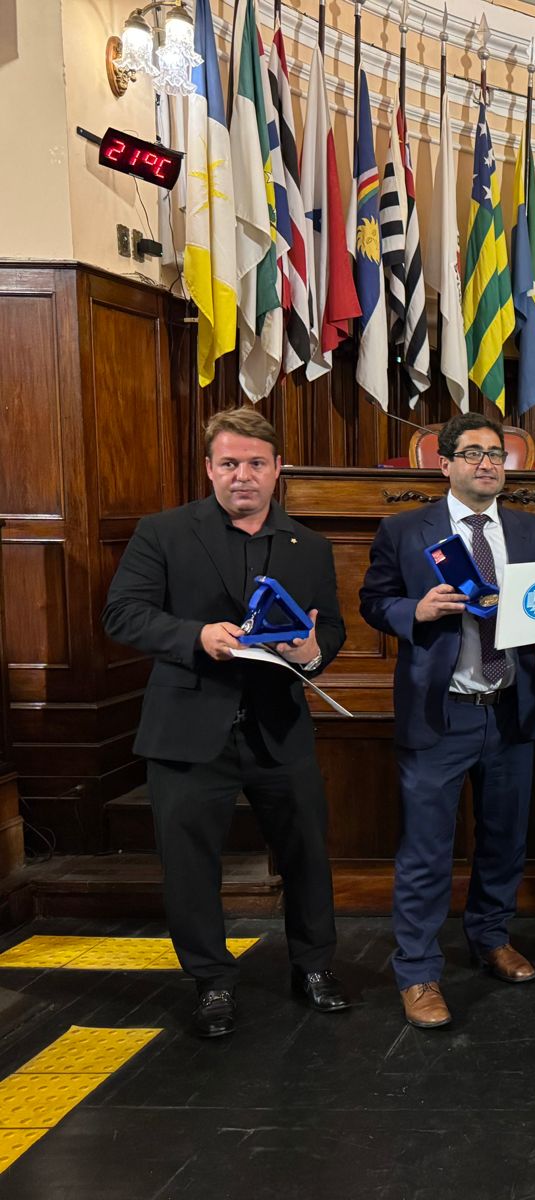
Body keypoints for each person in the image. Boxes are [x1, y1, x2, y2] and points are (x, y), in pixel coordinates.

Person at [102, 408, 348, 1038]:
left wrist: (311, 653)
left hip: (279, 727)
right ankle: (212, 982)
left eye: (256, 464)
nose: (243, 476)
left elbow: (331, 630)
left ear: (277, 470)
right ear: (210, 468)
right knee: (190, 865)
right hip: (186, 728)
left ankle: (315, 967)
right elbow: (123, 614)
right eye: (230, 463)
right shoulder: (162, 532)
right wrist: (195, 635)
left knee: (306, 855)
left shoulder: (311, 545)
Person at [358, 413, 535, 1030]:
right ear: (445, 464)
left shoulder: (532, 529)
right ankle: (417, 971)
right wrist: (418, 608)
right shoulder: (406, 530)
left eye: (496, 455)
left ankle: (490, 939)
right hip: (443, 716)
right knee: (427, 851)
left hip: (510, 709)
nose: (487, 464)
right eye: (472, 454)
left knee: (503, 841)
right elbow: (373, 601)